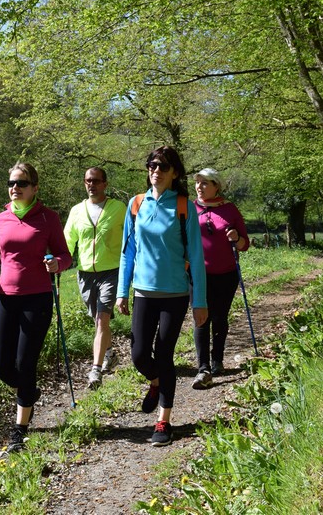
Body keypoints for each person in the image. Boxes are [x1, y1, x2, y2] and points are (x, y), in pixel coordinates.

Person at [0, 162, 72, 453]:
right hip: (6, 297)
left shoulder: (48, 218)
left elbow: (65, 254)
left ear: (35, 188)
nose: (15, 188)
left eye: (21, 183)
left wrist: (57, 264)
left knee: (25, 363)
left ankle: (19, 429)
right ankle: (29, 392)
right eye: (11, 182)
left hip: (37, 298)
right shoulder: (1, 219)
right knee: (1, 367)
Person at [116, 146, 208, 447]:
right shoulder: (136, 204)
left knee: (165, 354)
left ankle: (163, 420)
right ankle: (155, 382)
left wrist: (200, 302)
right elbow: (128, 251)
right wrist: (122, 291)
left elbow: (195, 256)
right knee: (139, 354)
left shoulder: (184, 206)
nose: (156, 170)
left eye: (163, 166)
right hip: (143, 291)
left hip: (175, 293)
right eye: (152, 164)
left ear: (174, 173)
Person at [63, 167, 126, 390]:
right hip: (85, 274)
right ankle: (110, 353)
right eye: (88, 181)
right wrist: (59, 263)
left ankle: (96, 370)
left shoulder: (119, 208)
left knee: (102, 319)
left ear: (105, 184)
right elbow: (68, 241)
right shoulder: (77, 211)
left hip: (112, 271)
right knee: (97, 318)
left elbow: (130, 238)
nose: (92, 185)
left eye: (97, 181)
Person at [190, 168, 249, 390]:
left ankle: (217, 360)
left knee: (220, 317)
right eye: (197, 183)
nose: (199, 187)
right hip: (198, 273)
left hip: (226, 273)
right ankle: (203, 366)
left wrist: (236, 238)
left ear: (217, 186)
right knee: (200, 317)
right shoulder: (189, 208)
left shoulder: (229, 209)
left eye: (205, 183)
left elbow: (245, 244)